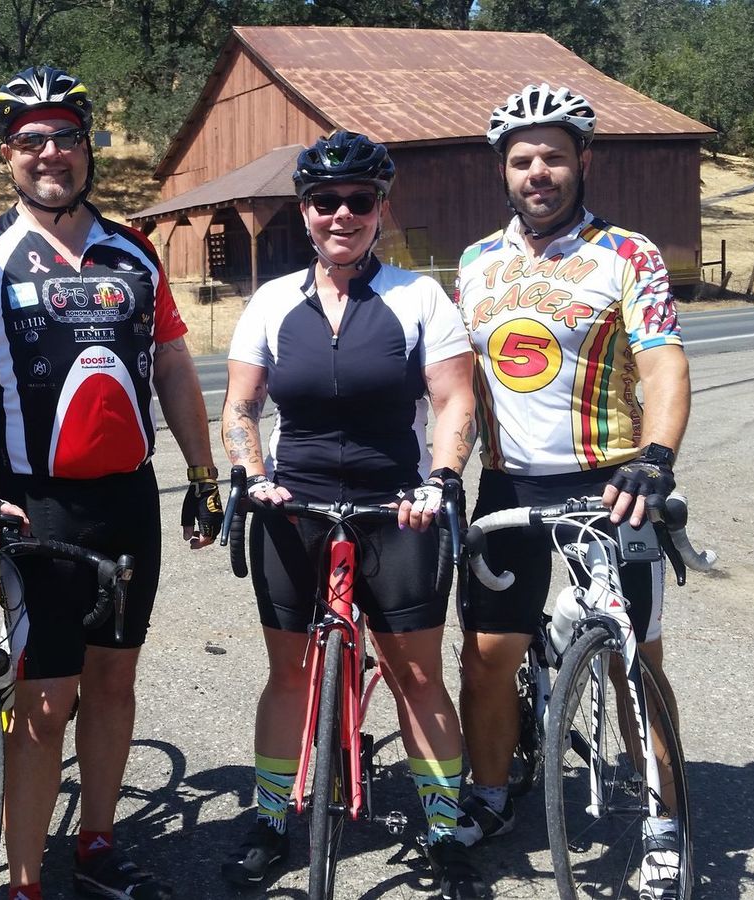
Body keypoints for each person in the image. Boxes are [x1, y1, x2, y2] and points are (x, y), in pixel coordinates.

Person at [0, 65, 223, 900]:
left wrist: (203, 473)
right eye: (31, 140)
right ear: (7, 154)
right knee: (45, 703)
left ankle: (95, 844)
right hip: (37, 503)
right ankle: (24, 881)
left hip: (129, 498)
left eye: (65, 136)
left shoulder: (134, 248)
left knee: (115, 683)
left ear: (89, 147)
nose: (50, 152)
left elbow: (171, 364)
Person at [220, 130, 484, 900]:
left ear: (380, 208)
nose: (342, 213)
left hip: (397, 507)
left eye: (358, 200)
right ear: (304, 211)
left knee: (416, 676)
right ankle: (271, 820)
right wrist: (253, 475)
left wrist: (442, 478)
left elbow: (454, 399)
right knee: (288, 676)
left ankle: (444, 830)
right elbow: (240, 405)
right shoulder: (273, 301)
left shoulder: (418, 297)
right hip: (292, 504)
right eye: (325, 200)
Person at [452, 84, 692, 900]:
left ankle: (664, 820)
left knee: (635, 660)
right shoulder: (476, 263)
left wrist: (657, 456)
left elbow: (663, 362)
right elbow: (454, 384)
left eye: (553, 156)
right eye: (522, 160)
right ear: (503, 171)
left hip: (610, 480)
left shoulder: (628, 253)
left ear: (583, 160)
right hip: (508, 482)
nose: (538, 172)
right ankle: (489, 794)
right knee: (487, 657)